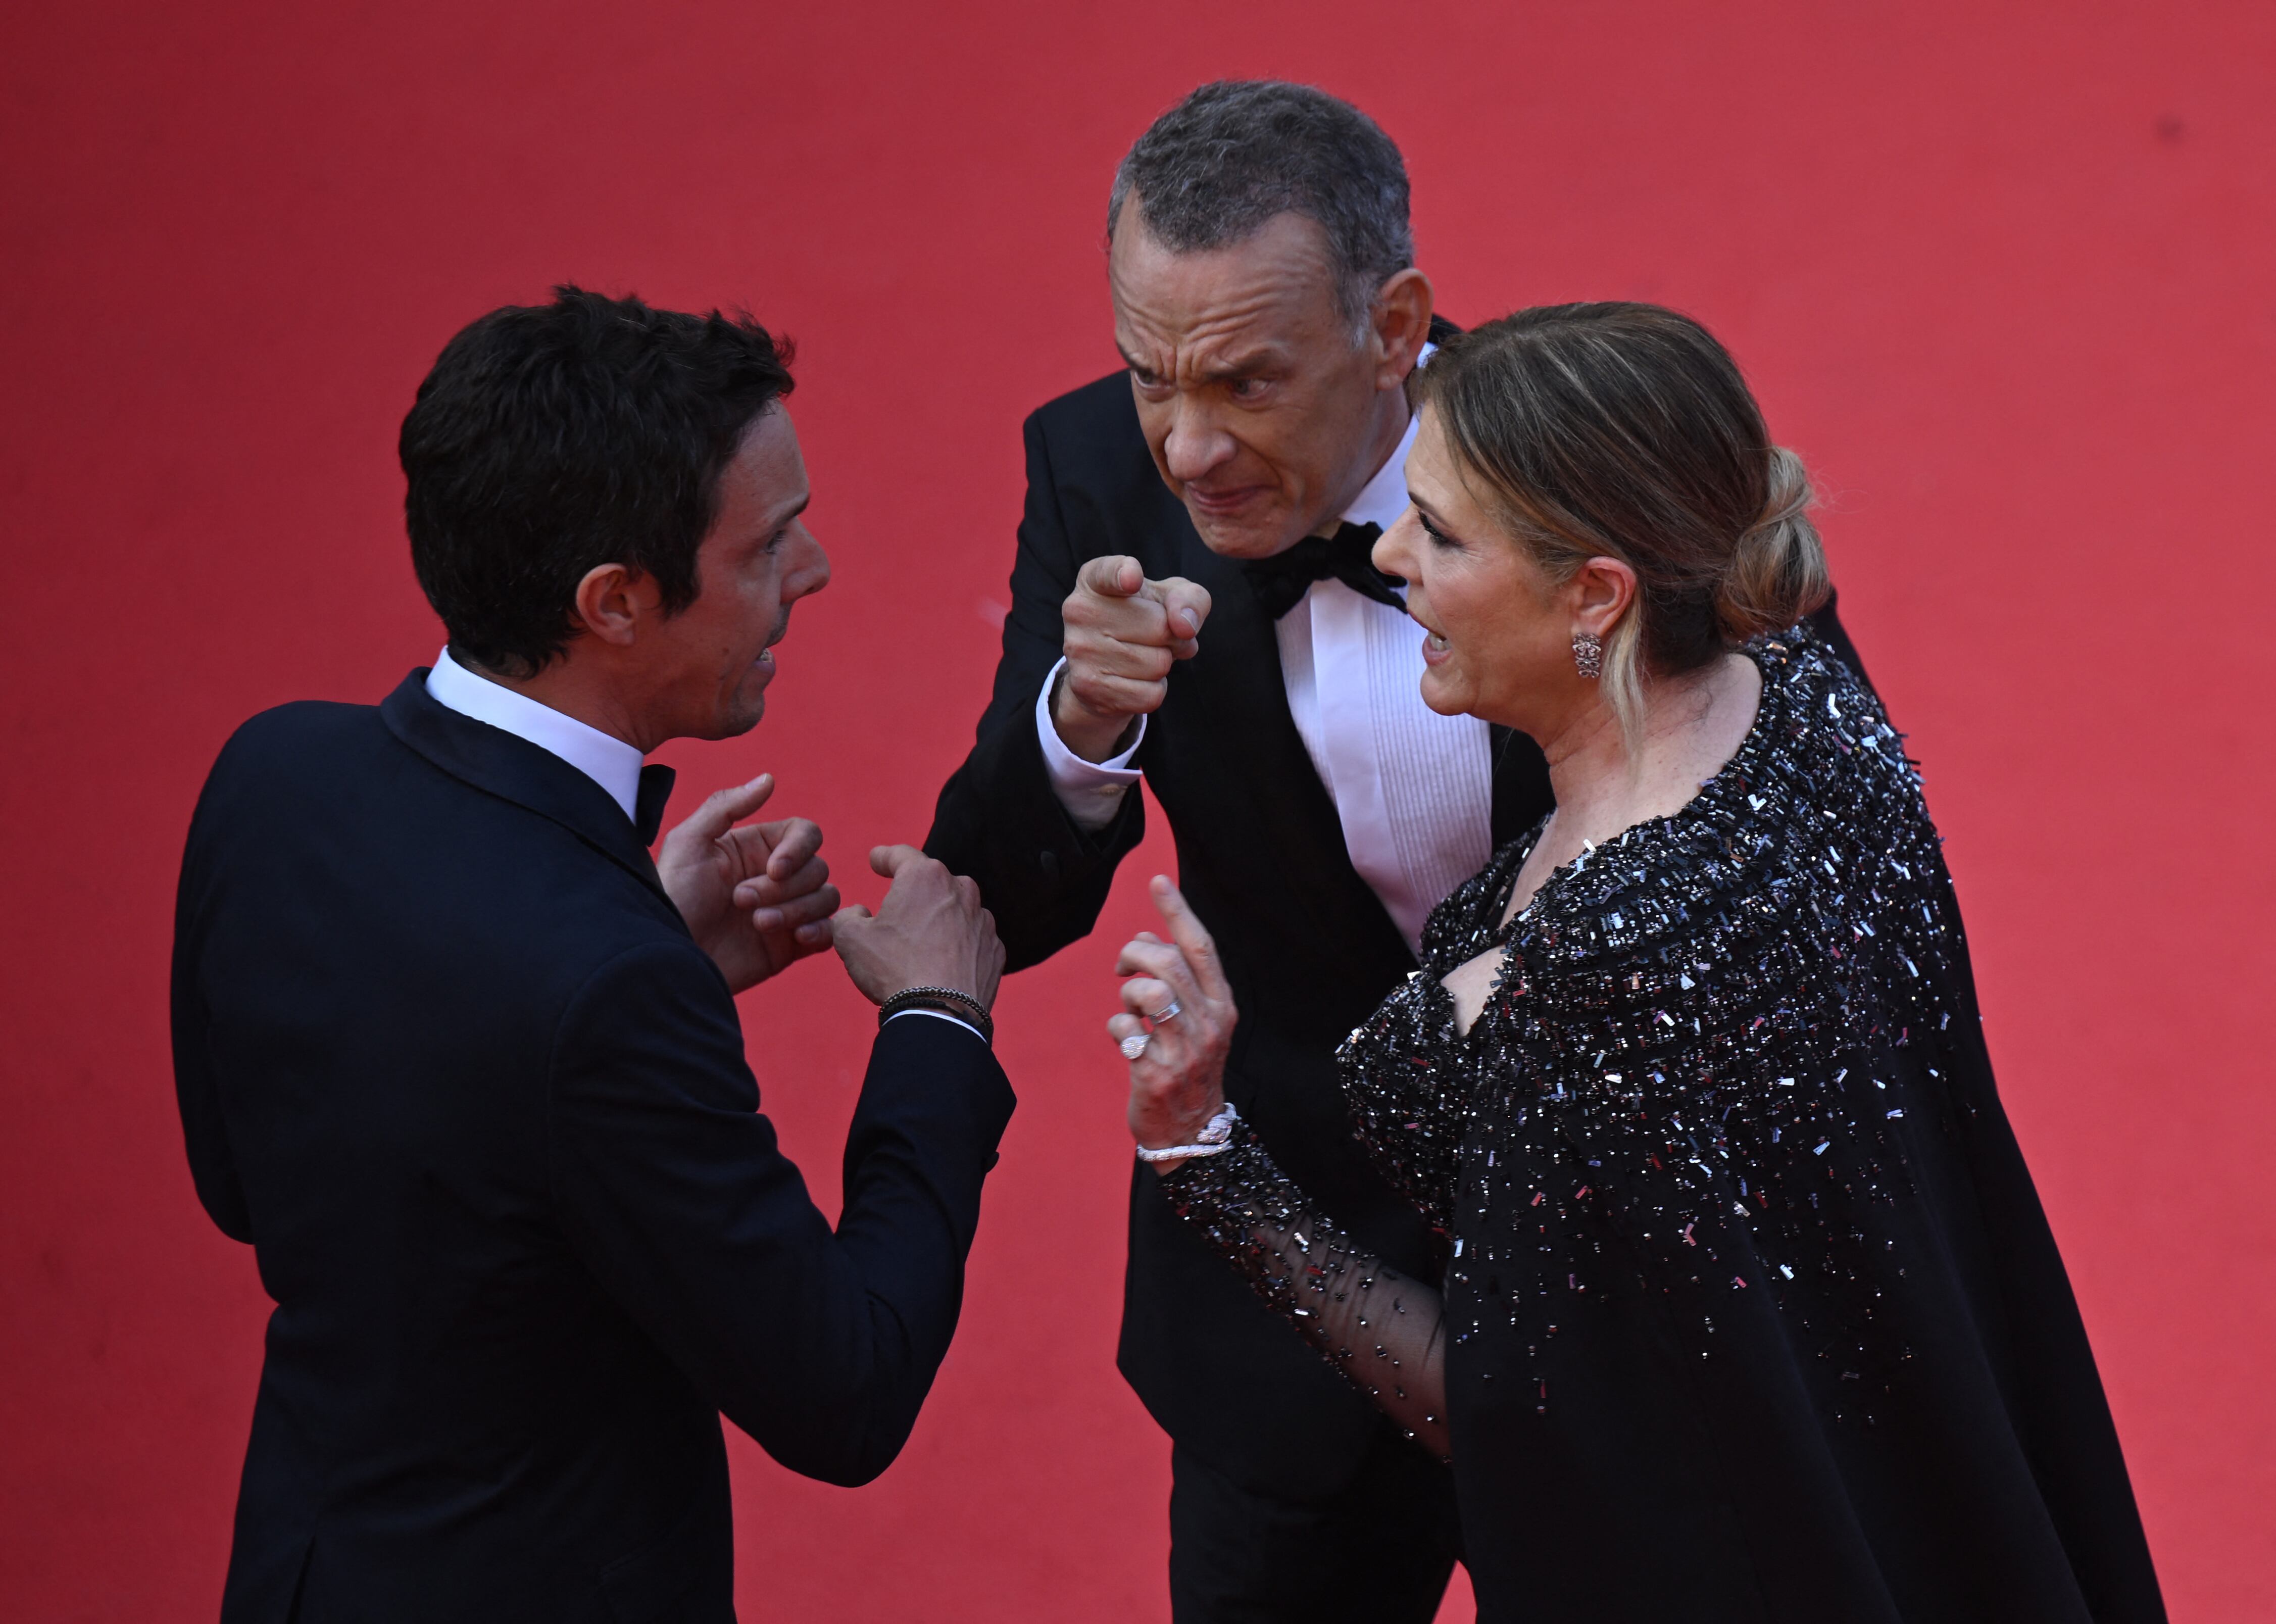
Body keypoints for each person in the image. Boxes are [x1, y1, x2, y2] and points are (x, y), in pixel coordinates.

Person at [926, 82, 1867, 1621]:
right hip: (1286, 1319)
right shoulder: (1094, 467)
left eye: (1244, 381)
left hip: (1638, 1294)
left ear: (1394, 325)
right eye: (1147, 375)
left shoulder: (1597, 455)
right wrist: (1079, 721)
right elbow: (1001, 895)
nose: (1187, 444)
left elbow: (1805, 833)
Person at [1111, 303, 2166, 1621]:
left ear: (1596, 594)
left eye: (1439, 534)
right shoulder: (1801, 686)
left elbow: (1498, 1410)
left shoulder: (1590, 988)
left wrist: (1199, 1155)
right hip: (1933, 1483)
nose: (1387, 555)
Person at [171, 287, 1014, 1623]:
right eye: (769, 547)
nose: (815, 573)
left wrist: (648, 939)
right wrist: (934, 1029)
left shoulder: (272, 773)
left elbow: (254, 1185)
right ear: (614, 602)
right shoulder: (599, 989)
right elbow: (844, 1390)